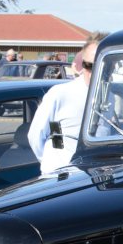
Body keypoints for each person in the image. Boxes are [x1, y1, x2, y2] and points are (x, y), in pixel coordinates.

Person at [28, 31, 108, 173]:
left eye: (100, 67)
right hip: (61, 177)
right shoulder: (60, 94)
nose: (93, 72)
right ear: (82, 65)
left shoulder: (111, 95)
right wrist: (53, 164)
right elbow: (37, 136)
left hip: (96, 175)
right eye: (88, 66)